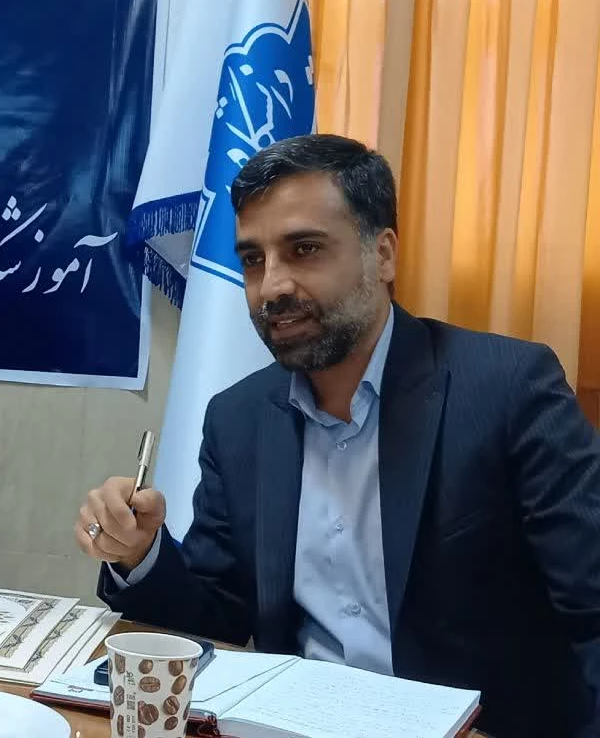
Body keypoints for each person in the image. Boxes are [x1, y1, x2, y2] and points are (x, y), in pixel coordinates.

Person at [76, 135, 600, 738]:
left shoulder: (506, 389)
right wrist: (140, 553)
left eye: (304, 249)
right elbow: (217, 617)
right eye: (253, 260)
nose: (272, 286)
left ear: (383, 255)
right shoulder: (238, 418)